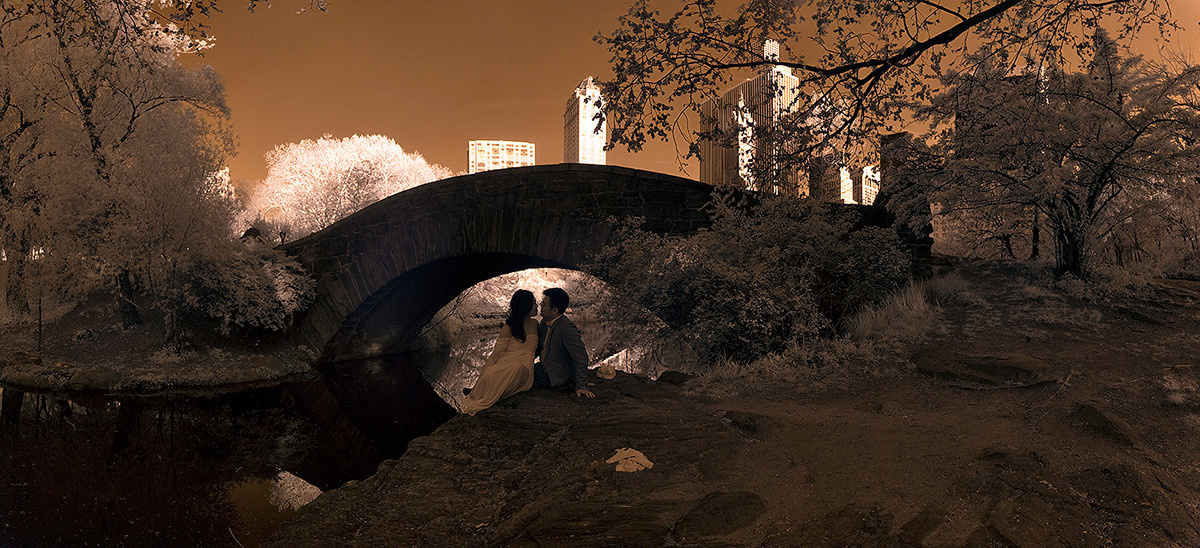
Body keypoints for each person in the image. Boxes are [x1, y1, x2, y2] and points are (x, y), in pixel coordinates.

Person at [460, 290, 540, 415]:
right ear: (524, 306)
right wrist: (483, 374)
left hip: (523, 368)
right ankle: (478, 389)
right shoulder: (508, 328)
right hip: (506, 363)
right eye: (533, 303)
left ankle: (484, 388)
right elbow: (495, 355)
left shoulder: (536, 324)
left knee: (517, 367)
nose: (537, 306)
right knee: (494, 373)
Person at [535, 288, 596, 398]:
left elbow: (581, 357)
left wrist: (581, 385)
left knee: (521, 377)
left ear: (554, 311)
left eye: (544, 304)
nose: (541, 306)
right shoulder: (544, 322)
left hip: (556, 375)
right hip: (544, 369)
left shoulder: (566, 328)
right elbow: (539, 348)